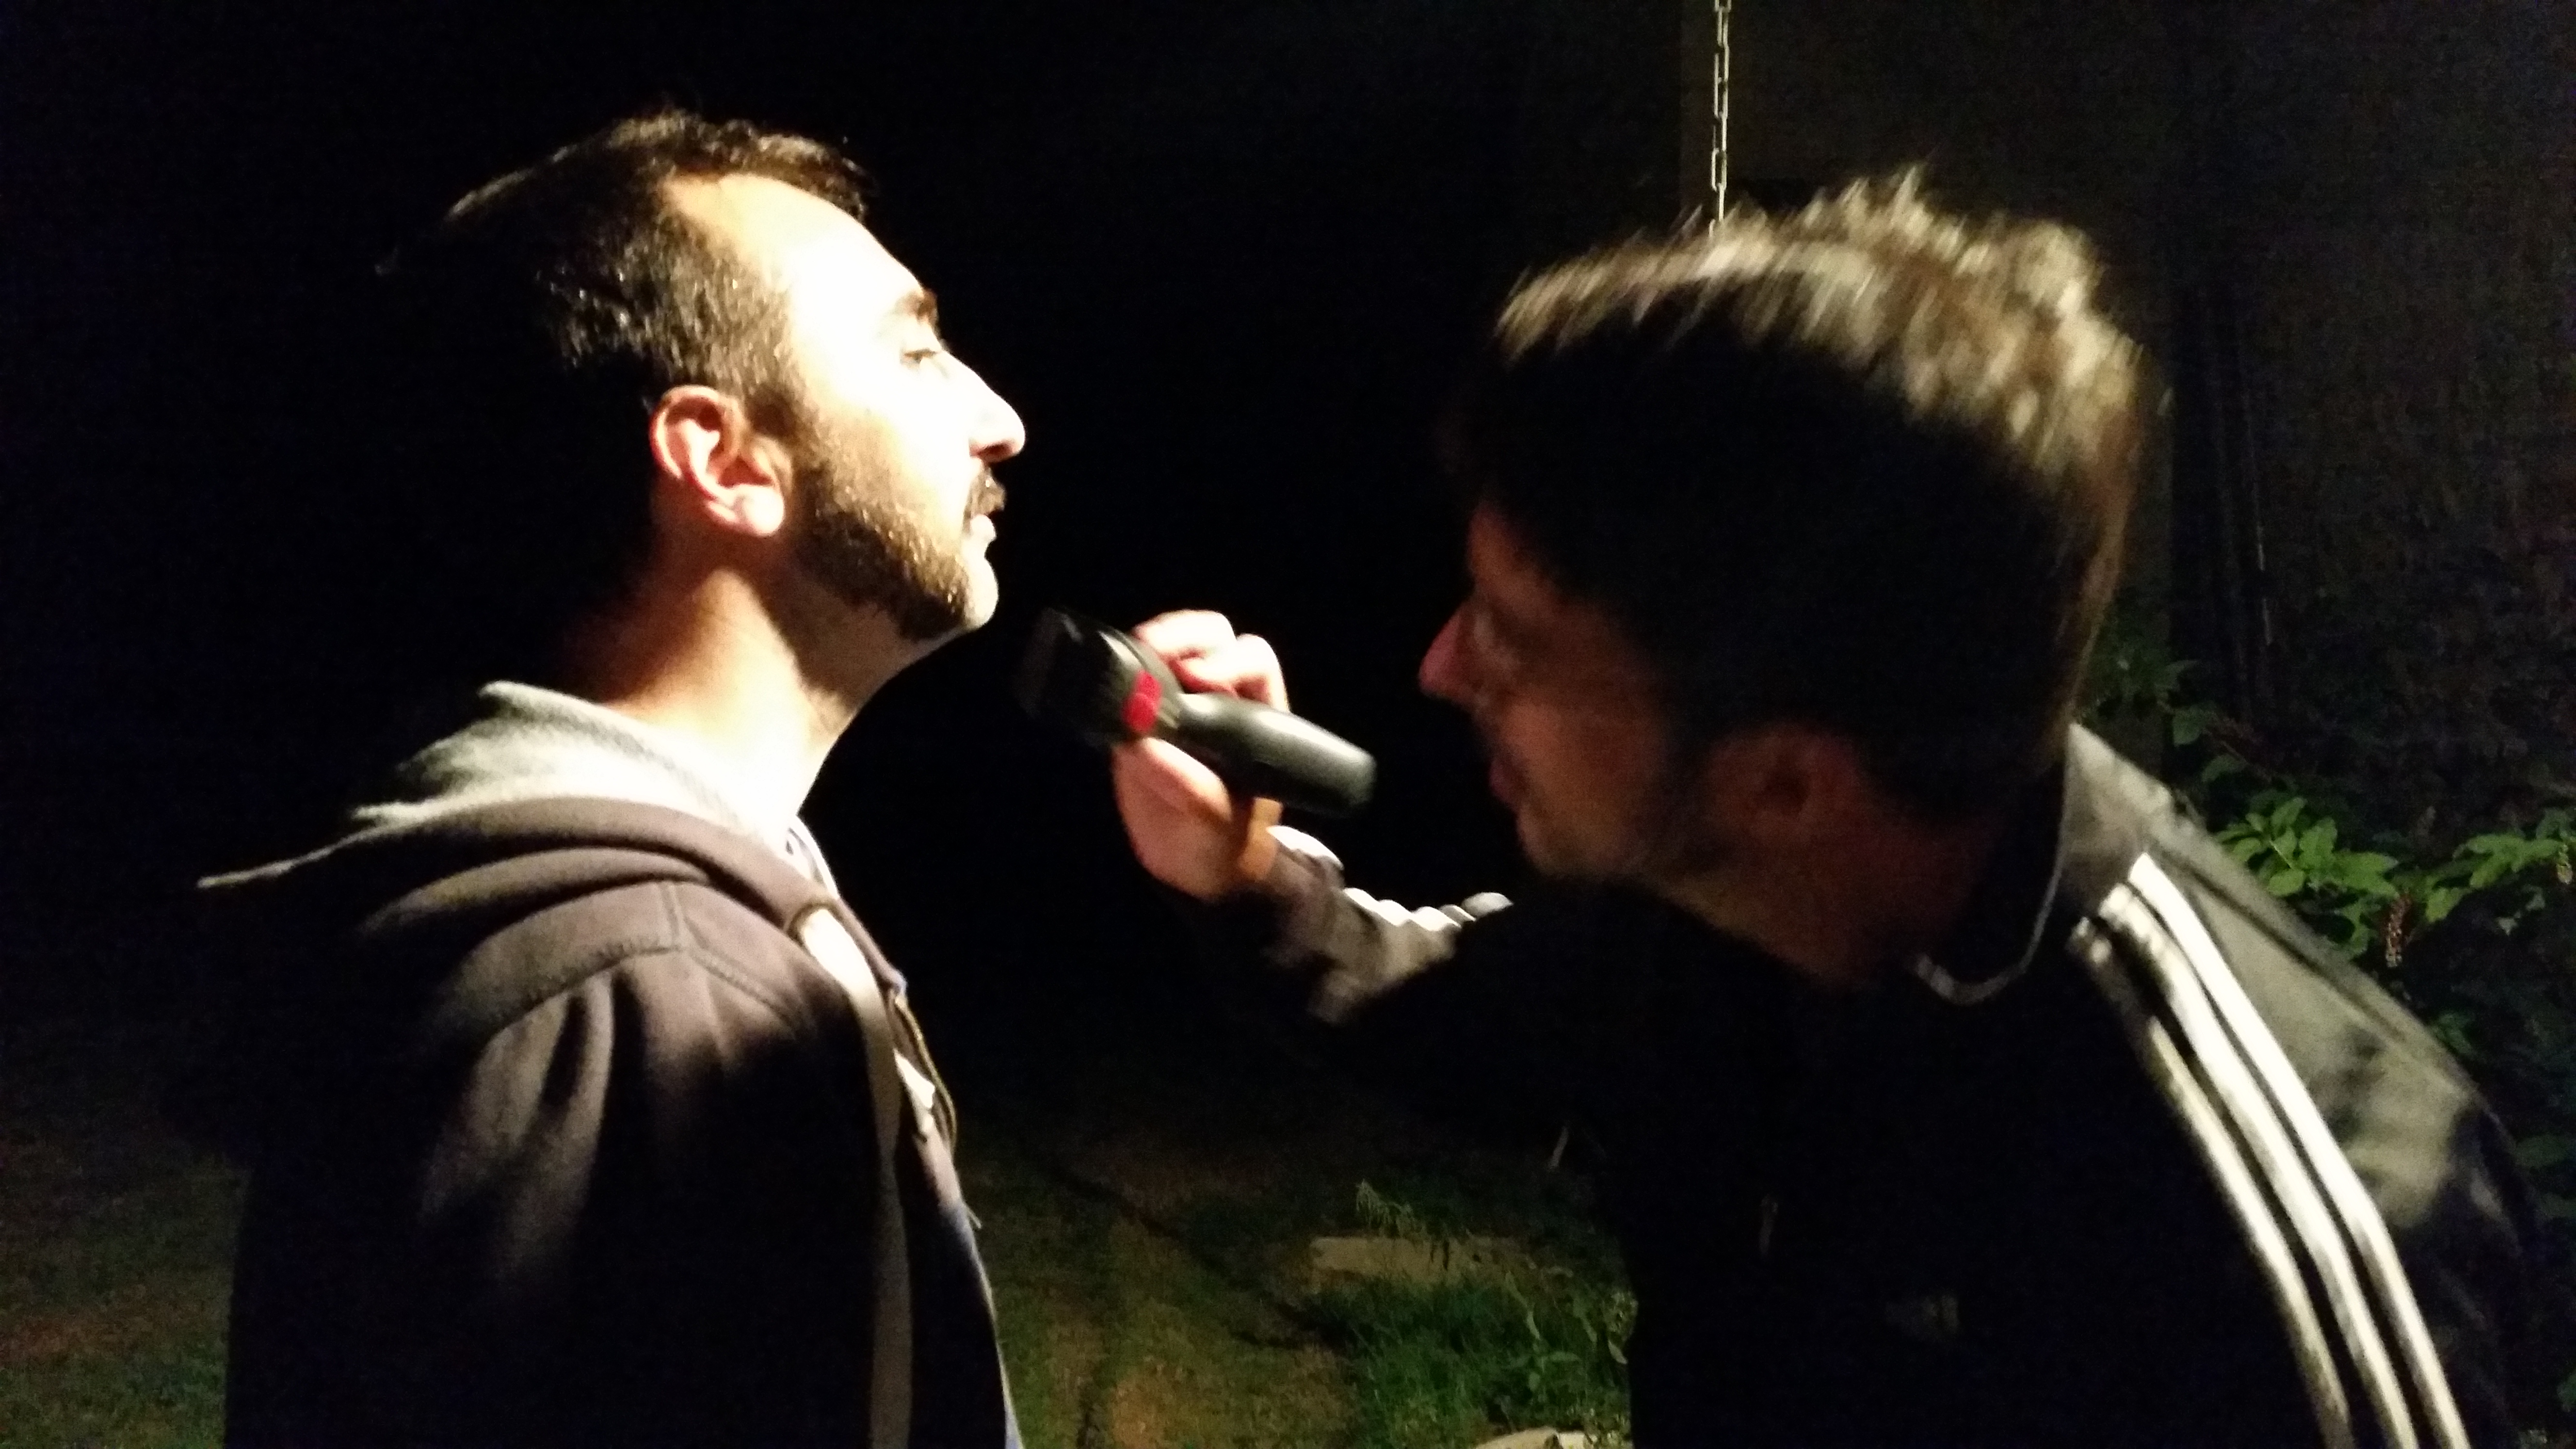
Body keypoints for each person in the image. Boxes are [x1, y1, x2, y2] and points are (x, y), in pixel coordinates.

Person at [1112, 177, 2534, 1446]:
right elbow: (1468, 1013)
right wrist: (1246, 880)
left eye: (1512, 638)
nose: (1440, 668)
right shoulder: (1724, 903)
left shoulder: (2259, 1238)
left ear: (1786, 780)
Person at [187, 111, 1026, 1448]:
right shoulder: (650, 1001)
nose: (1001, 421)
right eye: (915, 353)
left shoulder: (645, 921)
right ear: (723, 461)